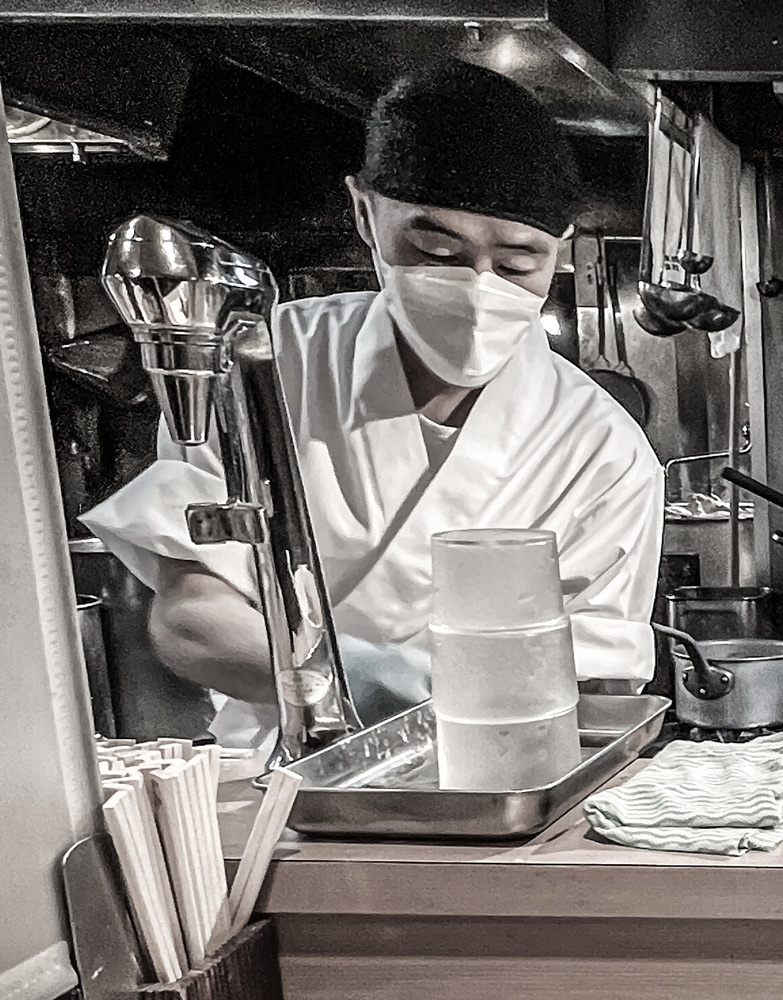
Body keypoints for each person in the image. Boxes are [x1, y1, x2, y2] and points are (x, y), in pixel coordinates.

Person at [87, 60, 663, 742]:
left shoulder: (601, 448)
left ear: (560, 253)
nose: (479, 290)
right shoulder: (264, 362)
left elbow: (599, 682)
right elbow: (190, 618)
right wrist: (352, 681)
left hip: (500, 776)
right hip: (282, 774)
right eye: (436, 251)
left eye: (516, 264)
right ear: (365, 213)